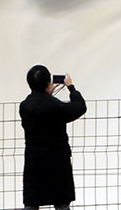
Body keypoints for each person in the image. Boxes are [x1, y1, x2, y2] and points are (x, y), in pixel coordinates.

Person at [20, 65, 87, 210]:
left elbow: (40, 106)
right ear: (48, 83)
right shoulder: (56, 106)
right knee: (62, 204)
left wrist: (46, 94)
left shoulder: (24, 107)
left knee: (31, 204)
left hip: (34, 163)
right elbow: (79, 107)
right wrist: (71, 88)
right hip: (58, 163)